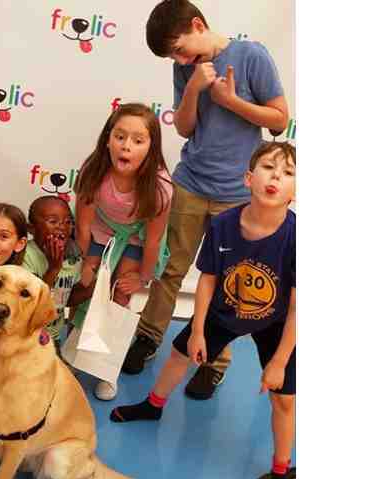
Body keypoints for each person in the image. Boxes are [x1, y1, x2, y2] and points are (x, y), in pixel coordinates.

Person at [111, 142, 296, 479]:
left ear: (295, 190)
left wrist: (278, 361)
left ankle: (279, 469)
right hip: (225, 309)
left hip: (275, 320)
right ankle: (153, 404)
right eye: (268, 167)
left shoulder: (298, 237)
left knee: (285, 400)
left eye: (287, 172)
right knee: (179, 354)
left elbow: (297, 306)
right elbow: (209, 279)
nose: (276, 176)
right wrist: (197, 330)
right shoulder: (224, 224)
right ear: (248, 178)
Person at [123, 0, 289, 402]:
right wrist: (195, 87)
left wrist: (232, 102)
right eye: (173, 57)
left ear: (198, 25)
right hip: (191, 183)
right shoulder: (186, 68)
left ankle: (214, 362)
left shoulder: (251, 56)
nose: (180, 60)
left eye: (180, 50)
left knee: (228, 283)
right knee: (171, 268)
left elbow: (280, 120)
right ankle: (148, 335)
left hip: (235, 194)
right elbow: (184, 128)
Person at [73, 102, 173, 400]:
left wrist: (142, 277)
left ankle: (108, 370)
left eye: (138, 140)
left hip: (134, 240)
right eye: (120, 137)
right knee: (86, 288)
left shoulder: (160, 188)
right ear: (108, 139)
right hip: (100, 233)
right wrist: (86, 263)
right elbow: (83, 226)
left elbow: (153, 240)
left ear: (151, 149)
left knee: (119, 297)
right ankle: (75, 353)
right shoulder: (93, 172)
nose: (126, 146)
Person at [22, 196, 92, 354]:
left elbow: (67, 300)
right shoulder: (27, 255)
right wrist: (54, 269)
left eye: (68, 222)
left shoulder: (73, 257)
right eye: (53, 221)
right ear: (31, 228)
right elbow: (29, 304)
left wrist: (92, 287)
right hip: (25, 337)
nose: (62, 227)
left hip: (52, 338)